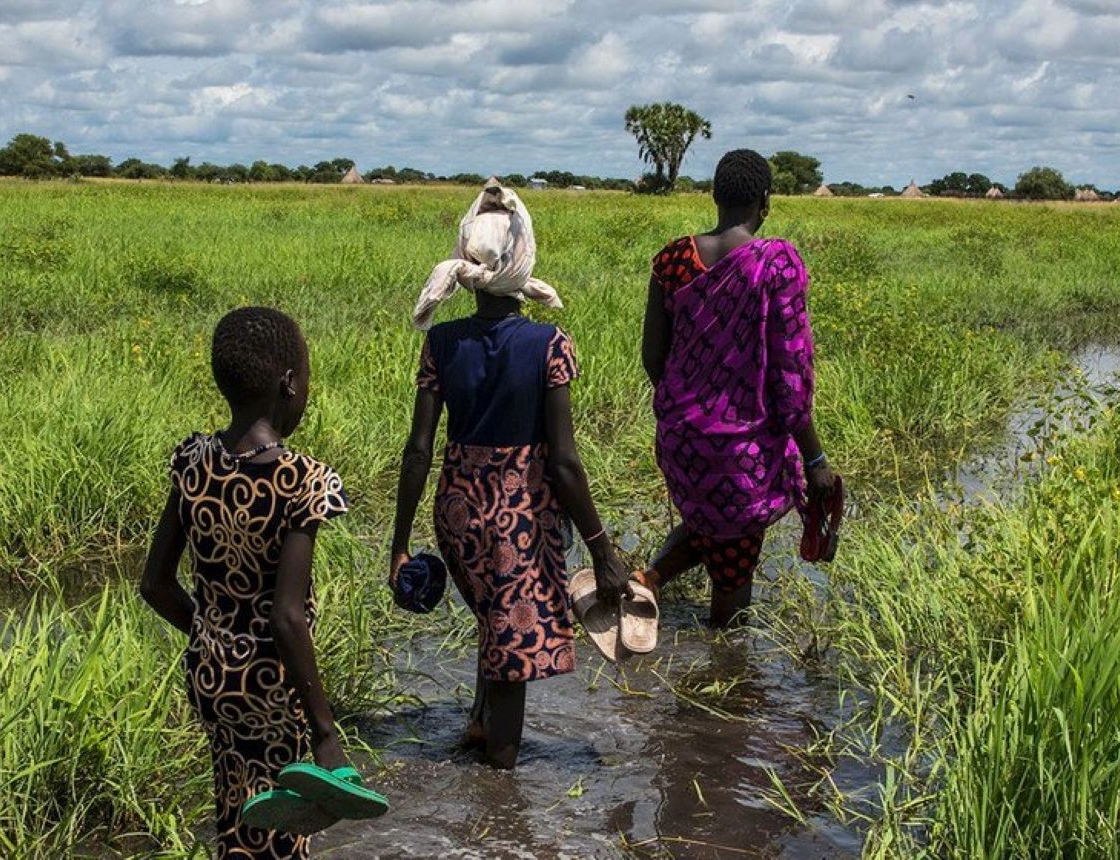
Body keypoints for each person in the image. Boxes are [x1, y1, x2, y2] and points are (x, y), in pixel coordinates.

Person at [389, 225, 630, 770]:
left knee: (493, 622)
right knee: (512, 654)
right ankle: (500, 786)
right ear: (522, 264)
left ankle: (479, 724)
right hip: (517, 521)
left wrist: (399, 545)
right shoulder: (548, 344)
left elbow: (418, 450)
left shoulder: (442, 342)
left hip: (457, 514)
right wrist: (601, 549)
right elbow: (564, 464)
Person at [138, 307, 361, 857]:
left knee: (237, 808)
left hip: (213, 676)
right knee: (286, 830)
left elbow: (155, 585)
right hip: (273, 684)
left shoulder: (193, 461)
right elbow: (286, 616)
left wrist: (215, 637)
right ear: (288, 384)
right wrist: (326, 731)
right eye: (305, 378)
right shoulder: (303, 480)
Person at [640, 149, 840, 629]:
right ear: (765, 201)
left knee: (710, 524)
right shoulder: (776, 264)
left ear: (715, 195)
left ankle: (645, 581)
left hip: (681, 439)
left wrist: (691, 409)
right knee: (732, 598)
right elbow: (790, 375)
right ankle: (725, 667)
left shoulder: (673, 259)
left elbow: (652, 357)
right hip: (740, 449)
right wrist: (814, 459)